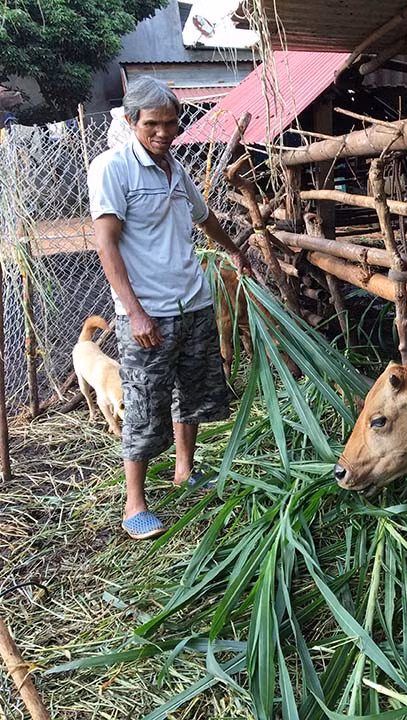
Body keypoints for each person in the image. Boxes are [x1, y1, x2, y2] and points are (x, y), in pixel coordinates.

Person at [88, 76, 250, 540]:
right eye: (152, 124)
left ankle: (185, 470)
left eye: (171, 124)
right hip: (148, 312)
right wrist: (135, 312)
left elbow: (205, 217)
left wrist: (234, 249)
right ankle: (134, 502)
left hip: (192, 300)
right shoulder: (113, 168)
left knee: (191, 393)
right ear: (130, 121)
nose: (164, 132)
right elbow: (106, 245)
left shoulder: (175, 169)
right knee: (143, 406)